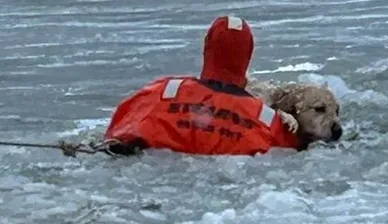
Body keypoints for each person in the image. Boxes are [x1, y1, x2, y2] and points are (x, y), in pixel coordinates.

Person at [103, 15, 302, 156]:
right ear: (248, 55)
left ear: (207, 47)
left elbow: (120, 126)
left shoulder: (164, 91)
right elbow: (291, 149)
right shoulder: (266, 119)